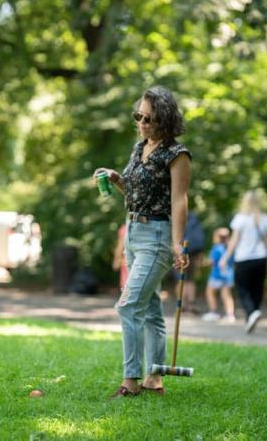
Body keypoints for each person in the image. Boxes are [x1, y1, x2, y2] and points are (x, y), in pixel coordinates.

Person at [93, 85, 191, 398]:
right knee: (149, 310)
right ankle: (155, 378)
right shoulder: (140, 149)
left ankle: (131, 381)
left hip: (159, 236)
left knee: (128, 304)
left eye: (149, 119)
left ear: (164, 119)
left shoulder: (177, 154)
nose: (142, 123)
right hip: (134, 233)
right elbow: (137, 195)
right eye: (139, 116)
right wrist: (117, 180)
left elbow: (179, 200)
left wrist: (178, 243)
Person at [220, 190, 267, 334]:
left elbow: (234, 241)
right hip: (261, 258)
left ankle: (252, 312)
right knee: (256, 289)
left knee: (242, 288)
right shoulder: (264, 218)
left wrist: (225, 257)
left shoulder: (240, 219)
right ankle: (251, 317)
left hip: (243, 259)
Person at [201, 228, 235, 323]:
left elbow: (211, 261)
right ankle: (230, 315)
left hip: (216, 275)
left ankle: (213, 312)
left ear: (217, 237)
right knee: (227, 295)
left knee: (210, 292)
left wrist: (203, 262)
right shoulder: (230, 248)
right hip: (228, 275)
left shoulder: (217, 248)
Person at [180, 211, 205, 313]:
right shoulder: (195, 220)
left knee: (181, 278)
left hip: (182, 251)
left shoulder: (179, 217)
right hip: (194, 252)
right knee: (190, 279)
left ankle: (182, 304)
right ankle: (191, 303)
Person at [112, 223, 128, 291]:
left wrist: (116, 261)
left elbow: (120, 247)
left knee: (126, 289)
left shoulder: (125, 228)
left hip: (126, 262)